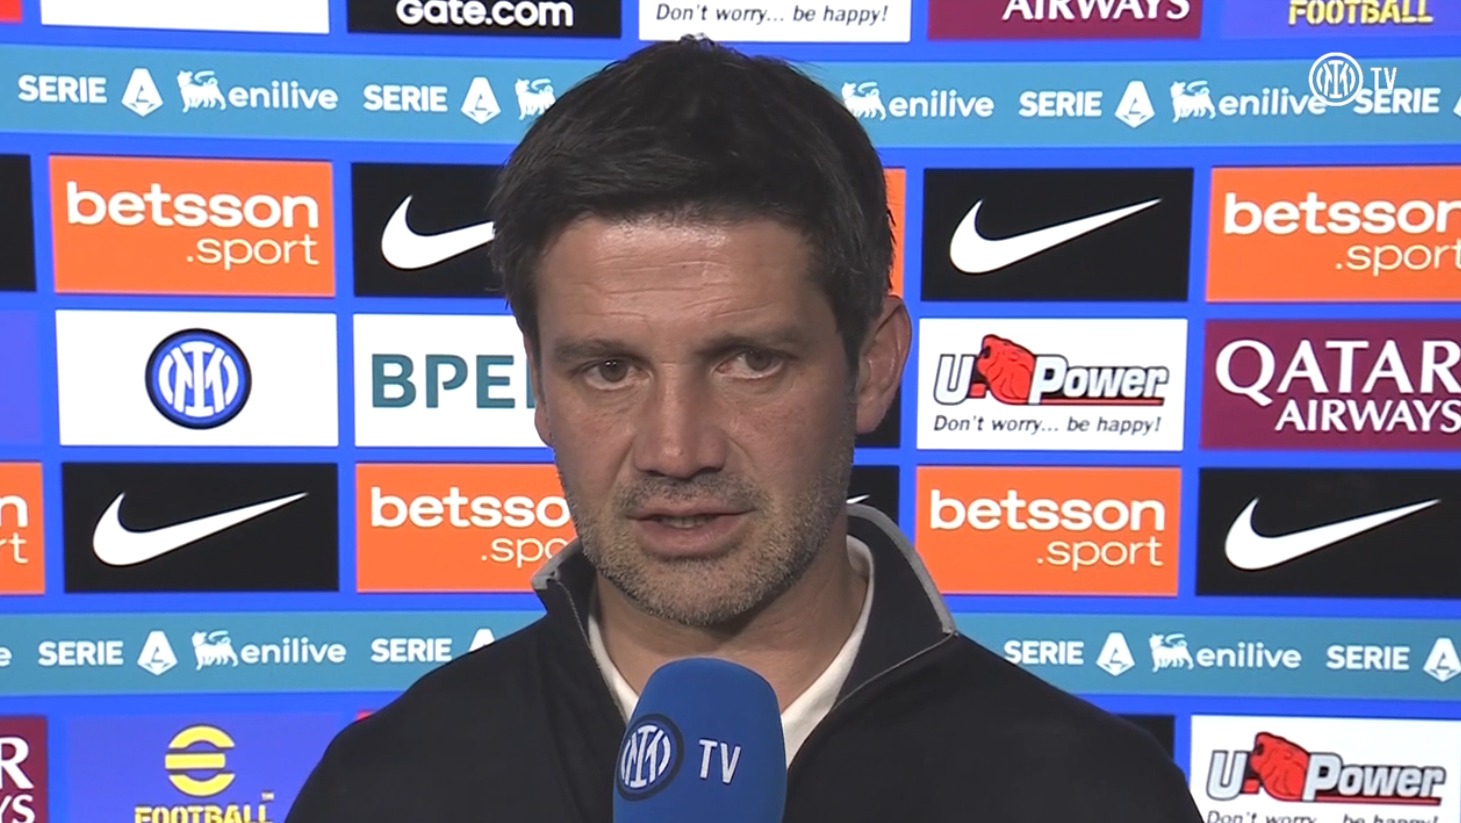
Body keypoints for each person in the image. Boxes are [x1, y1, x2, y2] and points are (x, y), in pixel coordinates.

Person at [286, 36, 1204, 822]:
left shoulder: (1090, 795)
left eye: (749, 361)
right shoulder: (388, 789)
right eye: (609, 369)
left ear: (872, 364)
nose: (676, 450)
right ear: (538, 386)